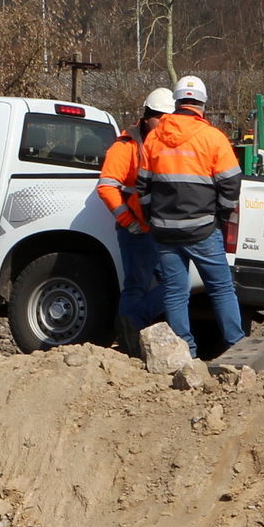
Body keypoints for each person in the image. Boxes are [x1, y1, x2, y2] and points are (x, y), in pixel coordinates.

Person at [136, 76, 244, 358]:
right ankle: (236, 346)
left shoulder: (155, 137)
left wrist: (152, 217)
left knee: (175, 292)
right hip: (203, 229)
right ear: (203, 105)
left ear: (177, 102)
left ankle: (187, 353)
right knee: (221, 289)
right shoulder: (213, 138)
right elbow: (232, 183)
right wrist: (220, 215)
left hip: (165, 231)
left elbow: (142, 186)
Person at [96, 87, 174, 354]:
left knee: (172, 283)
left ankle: (132, 327)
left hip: (161, 229)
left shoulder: (165, 144)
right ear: (147, 116)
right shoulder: (126, 145)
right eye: (160, 118)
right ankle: (130, 335)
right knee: (138, 285)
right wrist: (128, 221)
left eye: (168, 119)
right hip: (138, 230)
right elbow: (107, 186)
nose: (164, 124)